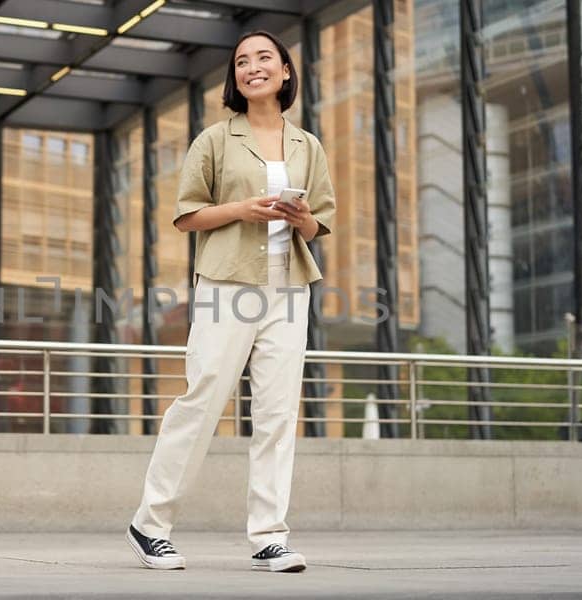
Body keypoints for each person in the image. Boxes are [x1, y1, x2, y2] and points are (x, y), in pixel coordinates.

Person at [126, 29, 335, 573]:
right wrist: (243, 208)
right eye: (243, 61)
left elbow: (319, 225)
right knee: (202, 400)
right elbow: (187, 214)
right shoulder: (214, 141)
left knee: (276, 413)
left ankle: (269, 536)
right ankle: (151, 524)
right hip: (226, 285)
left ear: (285, 72)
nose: (252, 67)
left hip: (288, 288)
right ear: (235, 78)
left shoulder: (307, 145)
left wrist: (299, 218)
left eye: (264, 58)